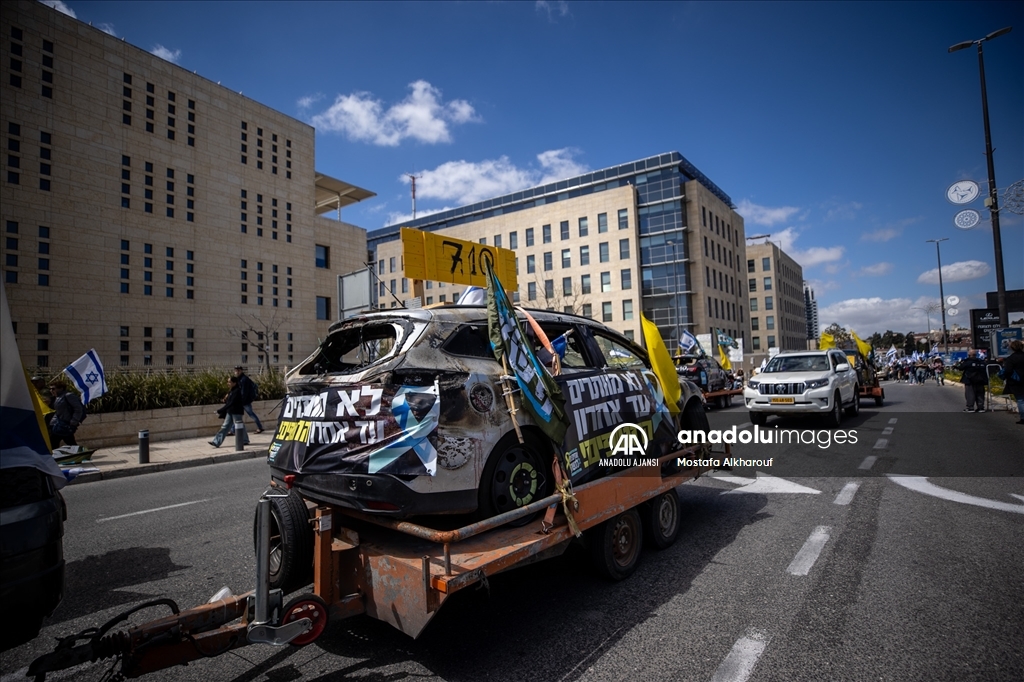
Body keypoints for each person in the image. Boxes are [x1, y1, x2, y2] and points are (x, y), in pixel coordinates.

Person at [210, 376, 248, 447]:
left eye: (230, 382)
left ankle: (245, 440)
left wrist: (220, 410)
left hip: (236, 412)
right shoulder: (232, 391)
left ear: (234, 383)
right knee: (225, 426)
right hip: (230, 412)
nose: (228, 383)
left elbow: (231, 403)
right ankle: (216, 441)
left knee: (239, 426)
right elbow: (229, 402)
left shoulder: (237, 391)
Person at [48, 378, 86, 447]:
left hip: (66, 424)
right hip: (59, 424)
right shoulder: (57, 398)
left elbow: (78, 409)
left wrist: (74, 421)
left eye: (53, 389)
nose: (51, 391)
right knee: (57, 442)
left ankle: (79, 455)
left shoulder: (68, 396)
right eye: (50, 389)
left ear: (61, 388)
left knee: (67, 442)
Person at [998, 340, 1024, 425]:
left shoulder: (1011, 358)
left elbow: (1008, 370)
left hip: (1017, 382)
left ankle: (1023, 418)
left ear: (1012, 348)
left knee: (1020, 400)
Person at [232, 366, 263, 434]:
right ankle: (232, 430)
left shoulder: (244, 379)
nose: (237, 372)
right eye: (236, 370)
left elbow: (244, 392)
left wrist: (241, 401)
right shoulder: (239, 379)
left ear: (241, 371)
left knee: (249, 414)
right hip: (243, 401)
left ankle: (260, 427)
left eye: (238, 370)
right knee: (237, 415)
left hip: (244, 401)